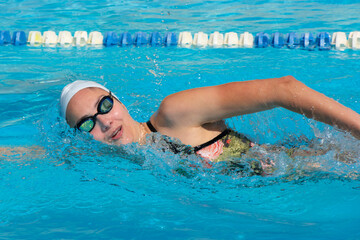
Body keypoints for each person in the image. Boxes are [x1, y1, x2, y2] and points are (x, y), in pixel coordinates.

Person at [60, 76, 360, 172]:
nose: (104, 122)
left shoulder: (173, 113)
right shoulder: (117, 160)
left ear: (119, 100)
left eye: (105, 106)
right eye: (87, 124)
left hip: (329, 165)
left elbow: (282, 89)